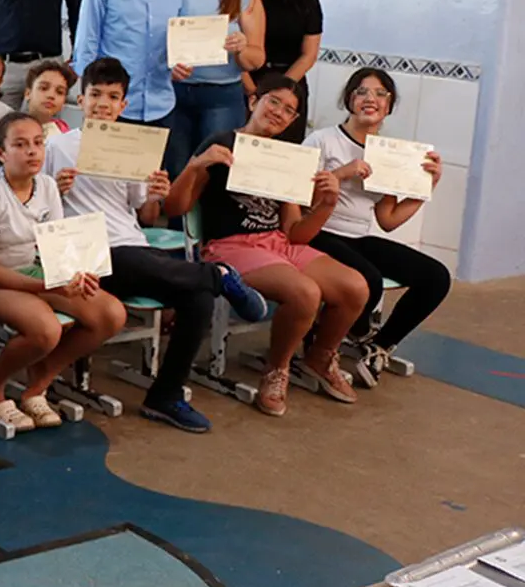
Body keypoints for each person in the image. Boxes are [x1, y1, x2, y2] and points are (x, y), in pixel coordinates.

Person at [46, 57, 267, 433]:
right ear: (79, 101)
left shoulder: (133, 146)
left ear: (123, 105)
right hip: (83, 251)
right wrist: (54, 188)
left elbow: (146, 215)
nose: (103, 103)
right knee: (190, 278)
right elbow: (33, 206)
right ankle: (218, 274)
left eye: (112, 97)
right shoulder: (56, 146)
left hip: (131, 246)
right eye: (95, 94)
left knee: (197, 297)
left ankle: (164, 396)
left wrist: (156, 193)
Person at [164, 73, 367, 417]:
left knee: (355, 287)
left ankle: (319, 357)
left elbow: (295, 233)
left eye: (289, 110)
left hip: (276, 243)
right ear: (253, 100)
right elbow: (174, 208)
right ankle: (277, 370)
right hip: (230, 245)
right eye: (274, 101)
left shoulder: (287, 157)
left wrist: (326, 204)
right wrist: (196, 166)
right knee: (305, 293)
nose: (279, 112)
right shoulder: (222, 143)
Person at [0, 113, 128, 432]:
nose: (32, 151)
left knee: (111, 313)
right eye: (20, 144)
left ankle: (38, 384)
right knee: (46, 329)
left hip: (28, 271)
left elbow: (56, 249)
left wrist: (78, 274)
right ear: (1, 153)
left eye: (37, 143)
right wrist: (49, 285)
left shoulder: (46, 185)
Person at [304, 69, 452, 386]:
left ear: (389, 105)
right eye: (361, 92)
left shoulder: (387, 153)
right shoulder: (323, 140)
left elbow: (388, 220)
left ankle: (379, 345)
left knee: (436, 277)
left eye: (380, 93)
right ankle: (329, 334)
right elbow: (298, 201)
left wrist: (426, 188)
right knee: (368, 278)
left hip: (359, 237)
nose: (370, 99)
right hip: (318, 232)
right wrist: (343, 173)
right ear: (349, 100)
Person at [71, 0, 188, 152]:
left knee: (153, 185)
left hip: (161, 103)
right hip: (111, 105)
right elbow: (87, 38)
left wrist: (184, 60)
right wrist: (89, 98)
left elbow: (186, 36)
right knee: (106, 181)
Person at [167, 0, 266, 174]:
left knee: (215, 171)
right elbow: (158, 41)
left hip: (222, 96)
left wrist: (242, 47)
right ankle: (181, 217)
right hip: (176, 93)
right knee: (177, 169)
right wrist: (170, 66)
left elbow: (256, 59)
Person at [246, 0, 321, 143]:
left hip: (291, 88)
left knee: (282, 161)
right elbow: (229, 49)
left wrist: (279, 94)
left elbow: (309, 54)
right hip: (247, 86)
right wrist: (254, 92)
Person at [20, 60, 77, 136]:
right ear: (28, 93)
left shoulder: (63, 131)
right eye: (43, 88)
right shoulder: (13, 129)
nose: (51, 95)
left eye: (60, 92)